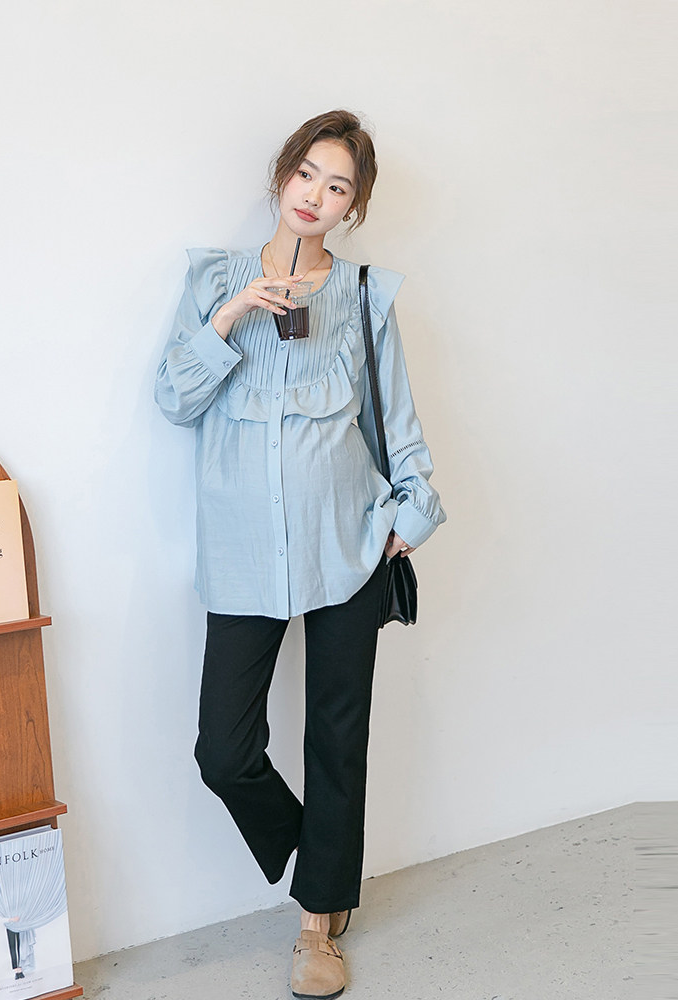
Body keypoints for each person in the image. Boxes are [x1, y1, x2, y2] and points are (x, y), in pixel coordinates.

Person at [155, 109, 446, 1000]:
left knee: (336, 740)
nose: (317, 195)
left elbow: (395, 418)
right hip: (244, 556)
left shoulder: (362, 295)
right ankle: (319, 859)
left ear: (353, 206)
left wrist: (412, 512)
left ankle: (319, 923)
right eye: (308, 174)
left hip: (347, 545)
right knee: (223, 750)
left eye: (338, 186)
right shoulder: (214, 281)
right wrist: (233, 314)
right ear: (282, 176)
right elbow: (173, 400)